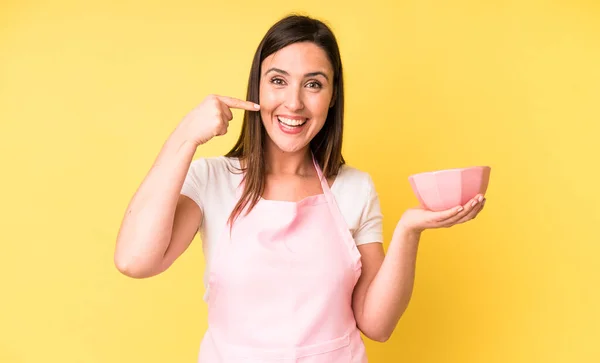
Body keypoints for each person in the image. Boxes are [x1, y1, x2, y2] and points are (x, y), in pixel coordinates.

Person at [114, 14, 486, 362]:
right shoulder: (211, 179)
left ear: (332, 96)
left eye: (313, 84)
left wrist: (409, 231)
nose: (293, 102)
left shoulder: (354, 188)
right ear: (256, 86)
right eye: (278, 80)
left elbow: (377, 325)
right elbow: (135, 260)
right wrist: (186, 136)